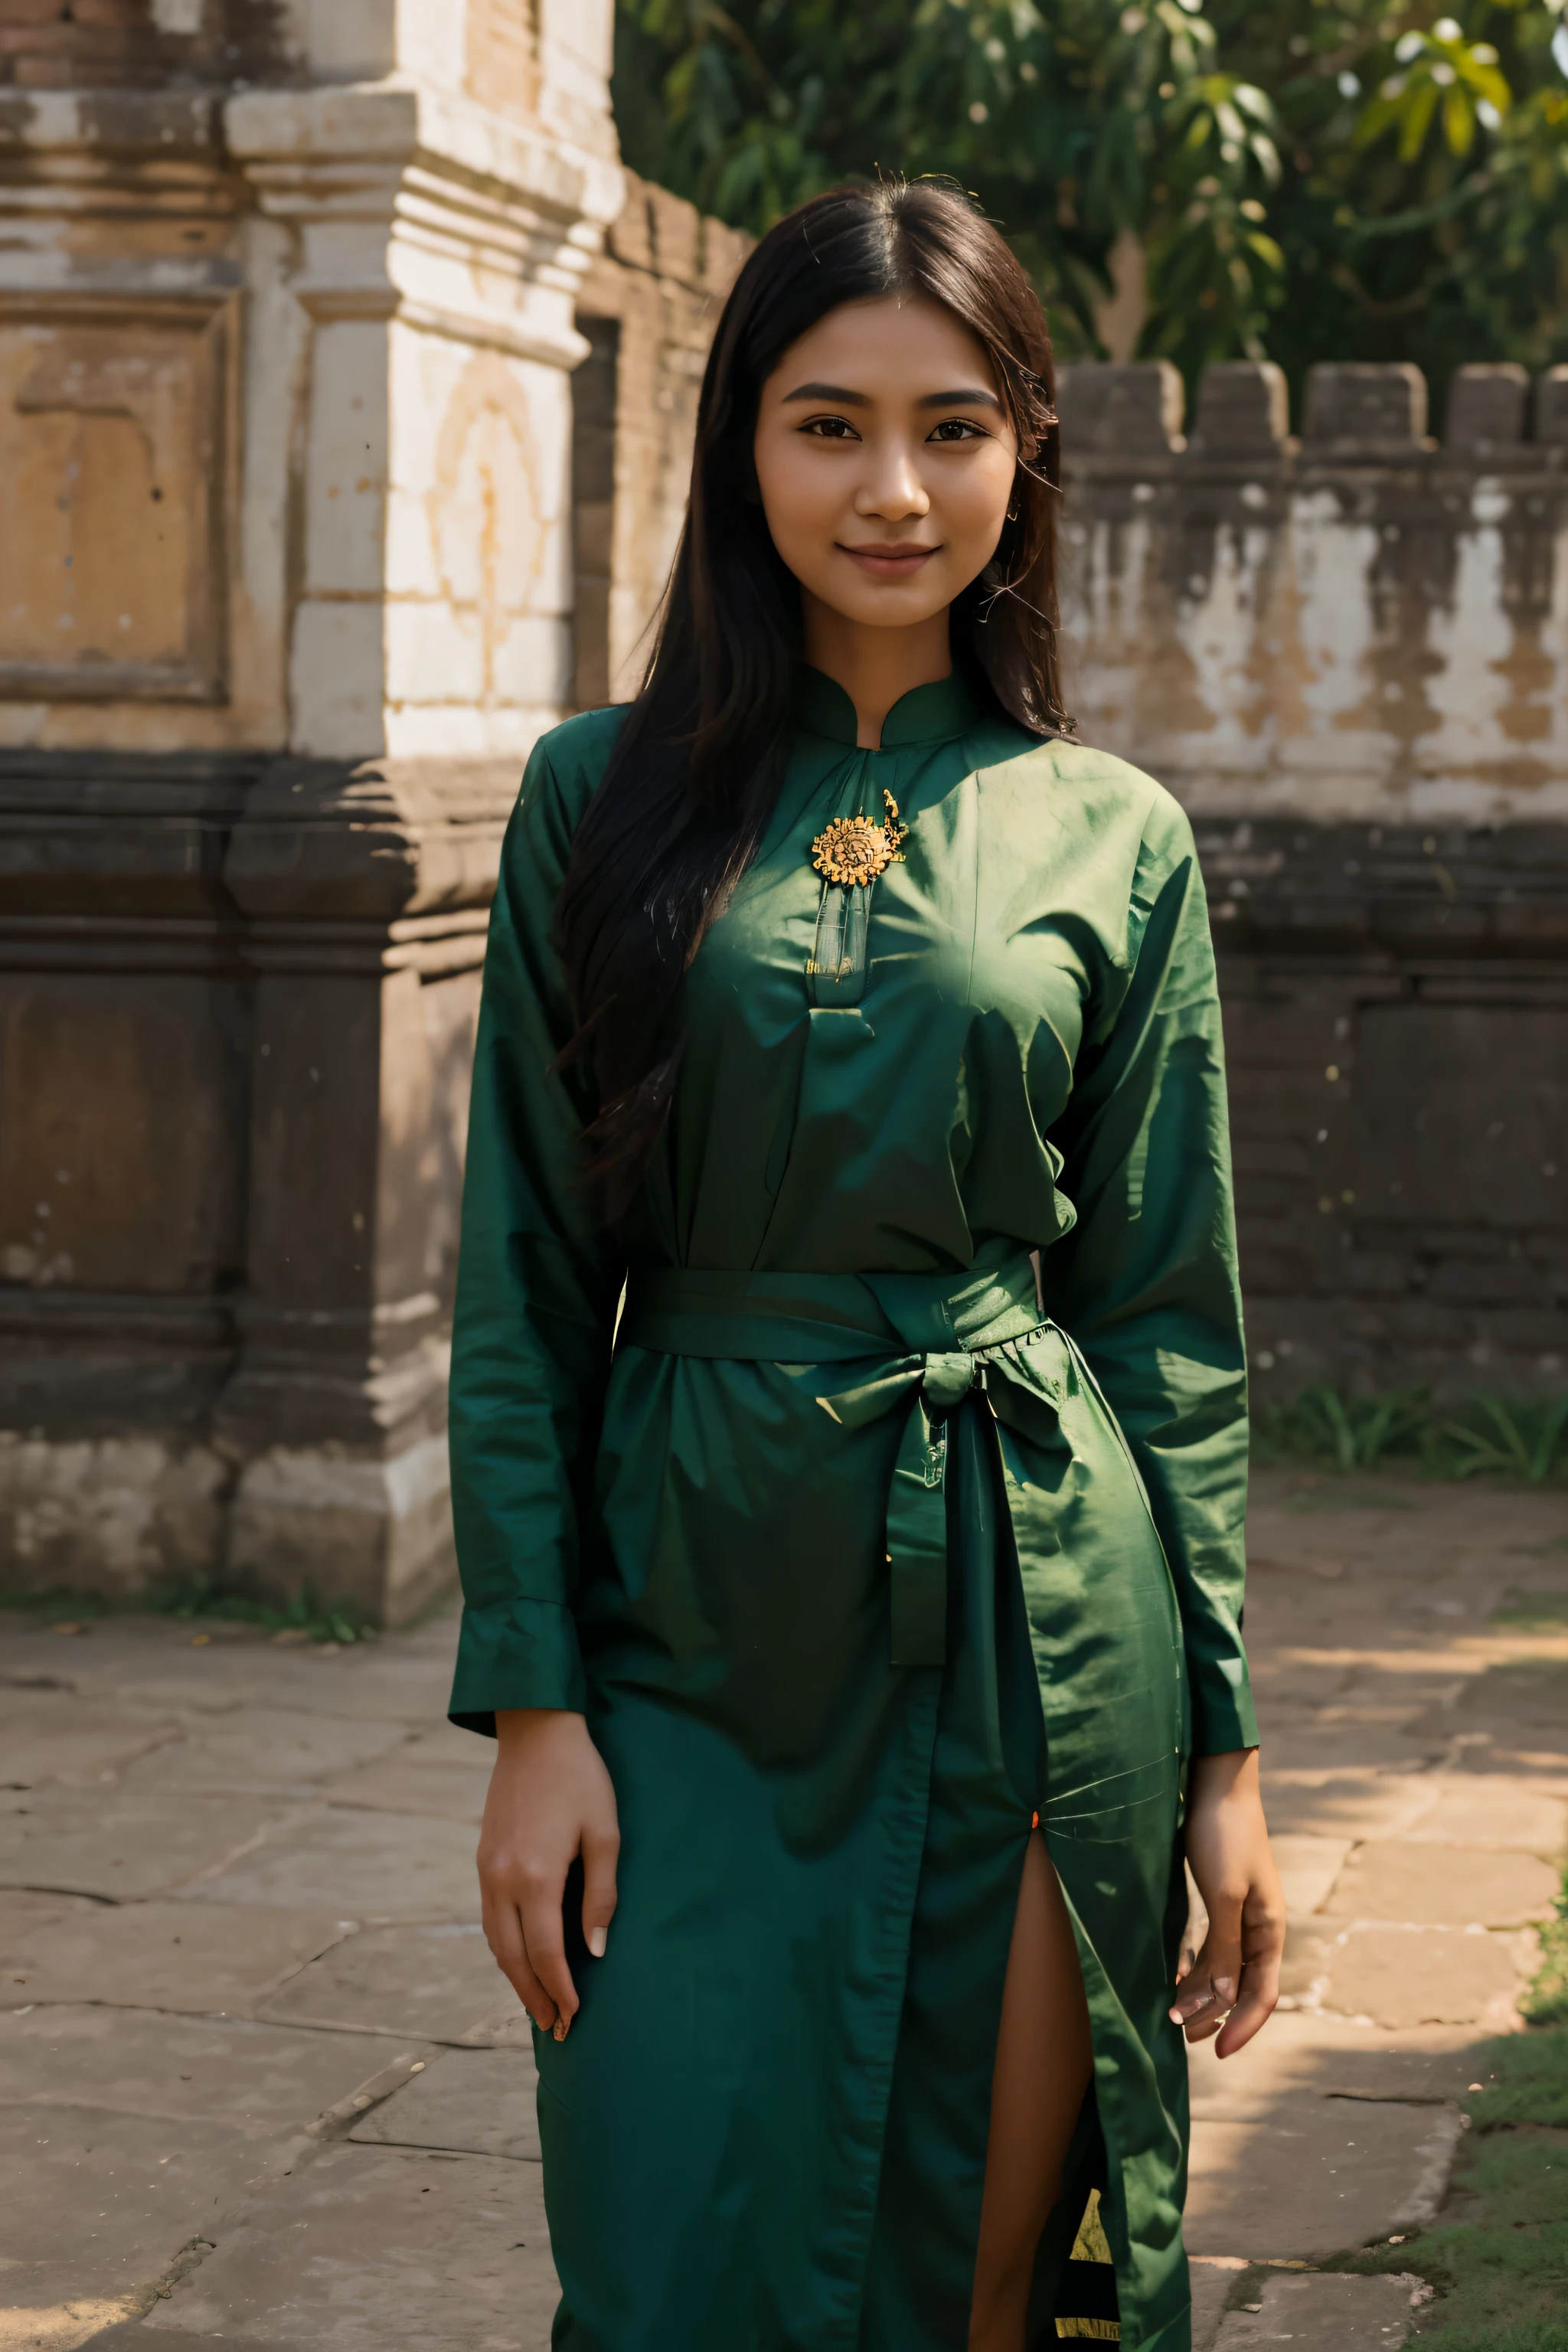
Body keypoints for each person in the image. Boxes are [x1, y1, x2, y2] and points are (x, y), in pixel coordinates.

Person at [446, 177, 1285, 2352]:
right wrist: (536, 1704)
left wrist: (1223, 1750)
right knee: (664, 2243)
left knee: (970, 2272)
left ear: (1027, 457)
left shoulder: (1117, 832)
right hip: (687, 1612)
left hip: (1028, 1603)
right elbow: (524, 1282)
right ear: (741, 445)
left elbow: (1167, 1320)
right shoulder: (590, 801)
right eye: (829, 425)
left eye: (952, 428)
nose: (893, 489)